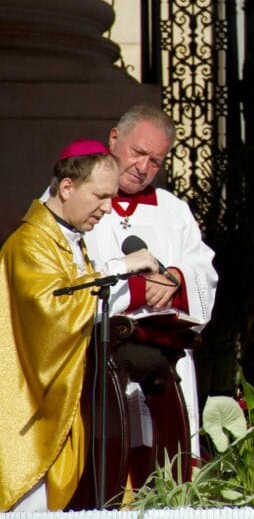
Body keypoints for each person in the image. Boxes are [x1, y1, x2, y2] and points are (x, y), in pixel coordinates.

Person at [0, 140, 159, 511]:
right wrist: (119, 269)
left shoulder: (70, 241)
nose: (108, 209)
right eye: (101, 196)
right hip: (28, 410)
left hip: (71, 401)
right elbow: (51, 315)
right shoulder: (30, 243)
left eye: (112, 197)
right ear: (67, 188)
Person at [83, 104, 219, 458]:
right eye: (138, 153)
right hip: (99, 360)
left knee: (166, 468)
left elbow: (204, 270)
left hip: (165, 366)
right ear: (114, 137)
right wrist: (143, 287)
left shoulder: (173, 210)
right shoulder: (76, 200)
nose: (144, 168)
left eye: (155, 161)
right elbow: (64, 277)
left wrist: (176, 278)